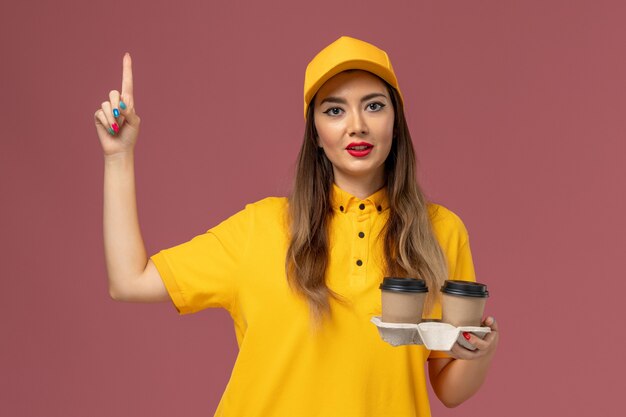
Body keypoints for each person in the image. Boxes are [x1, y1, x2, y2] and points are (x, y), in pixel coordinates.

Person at [93, 36, 499, 417]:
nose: (356, 124)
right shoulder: (261, 227)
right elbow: (129, 281)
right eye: (334, 110)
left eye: (374, 105)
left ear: (396, 120)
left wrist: (479, 352)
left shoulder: (441, 232)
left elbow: (449, 388)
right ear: (316, 135)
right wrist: (118, 157)